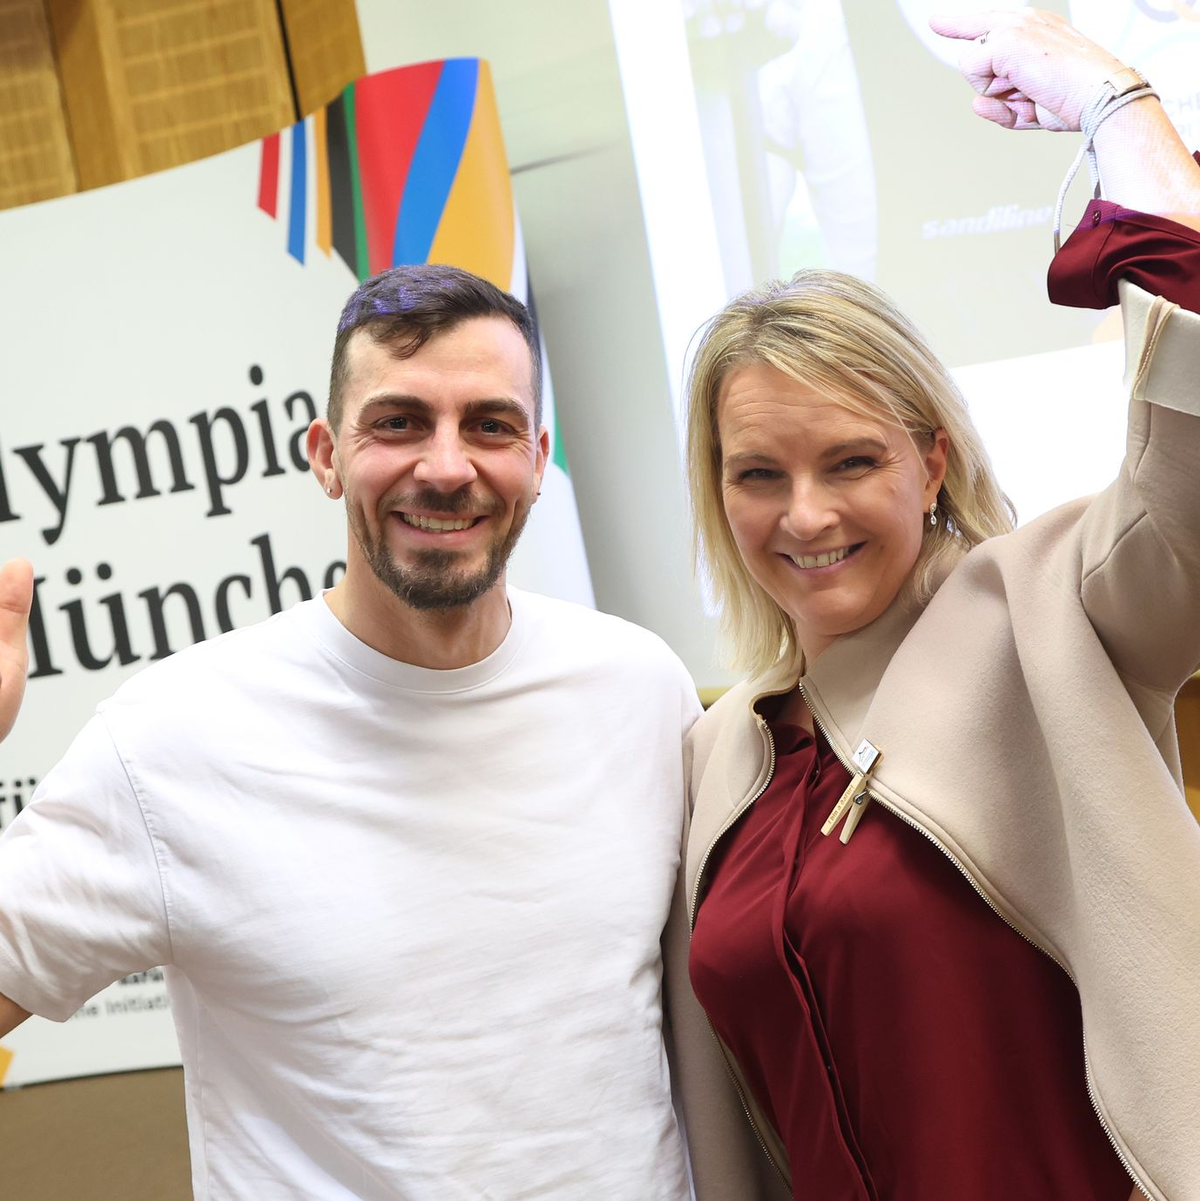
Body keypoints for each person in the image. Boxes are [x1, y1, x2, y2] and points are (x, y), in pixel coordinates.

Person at [0, 265, 702, 1199]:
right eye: (399, 421)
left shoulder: (640, 688)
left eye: (488, 425)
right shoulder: (171, 737)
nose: (447, 467)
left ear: (537, 457)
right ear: (327, 453)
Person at [665, 9, 1200, 1201]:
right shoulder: (720, 752)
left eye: (851, 462)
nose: (805, 516)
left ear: (933, 460)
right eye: (759, 474)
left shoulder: (1053, 609)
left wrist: (1119, 106)